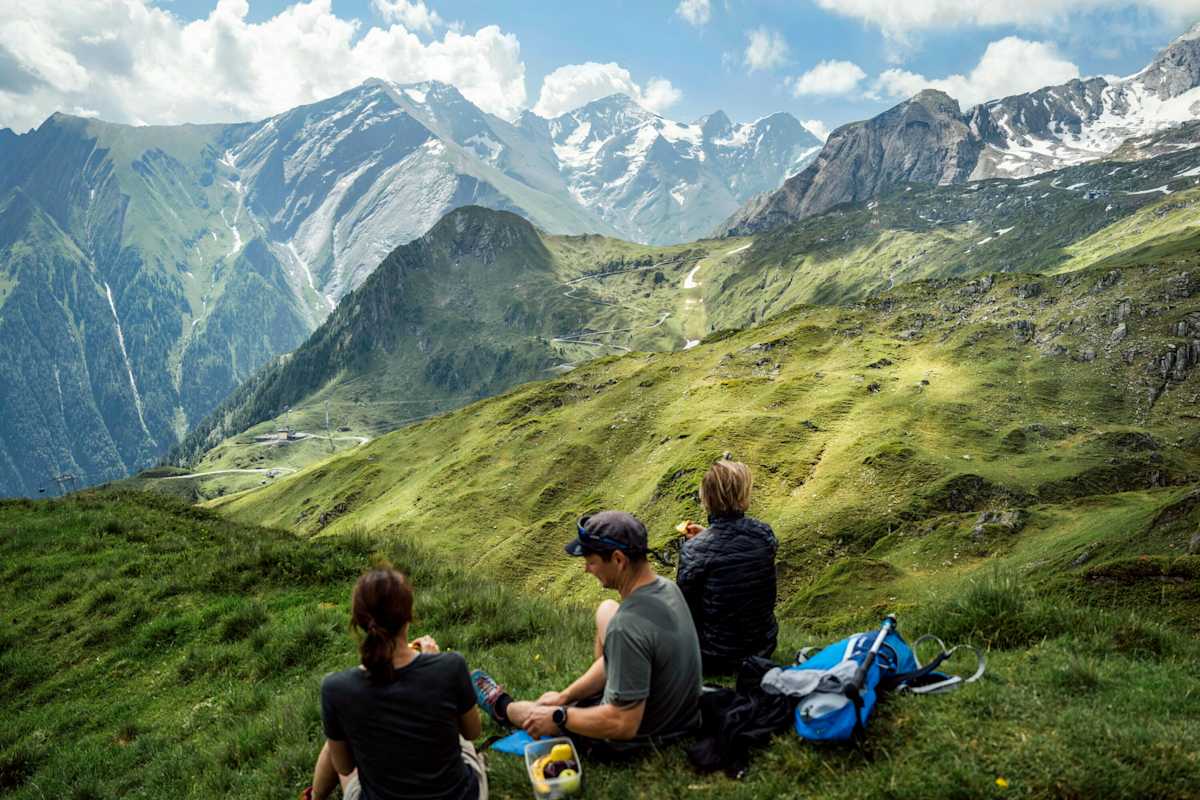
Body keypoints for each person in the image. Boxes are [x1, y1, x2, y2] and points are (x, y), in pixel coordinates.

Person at [470, 511, 702, 757]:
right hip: (683, 716)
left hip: (645, 736)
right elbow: (617, 660)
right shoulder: (668, 588)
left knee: (543, 715)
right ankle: (549, 704)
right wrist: (564, 696)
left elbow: (623, 723)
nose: (586, 570)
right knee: (605, 612)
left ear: (618, 559)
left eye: (591, 561)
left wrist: (560, 716)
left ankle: (502, 706)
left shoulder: (627, 626)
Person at [302, 566, 488, 800]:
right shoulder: (451, 666)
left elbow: (345, 767)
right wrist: (432, 664)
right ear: (408, 614)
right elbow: (472, 732)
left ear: (359, 621)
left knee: (335, 740)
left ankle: (312, 797)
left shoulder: (336, 689)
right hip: (460, 796)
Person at [677, 458, 778, 675]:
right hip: (762, 649)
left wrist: (700, 543)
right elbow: (735, 554)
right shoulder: (765, 535)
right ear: (743, 497)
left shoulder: (694, 550)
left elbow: (685, 607)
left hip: (714, 657)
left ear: (706, 498)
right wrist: (709, 538)